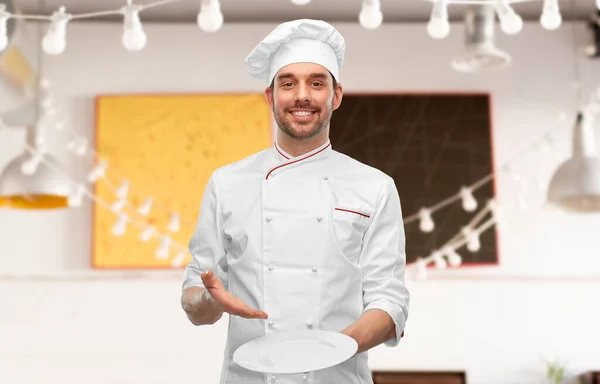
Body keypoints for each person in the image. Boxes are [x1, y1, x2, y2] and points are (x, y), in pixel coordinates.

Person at [180, 19, 410, 384]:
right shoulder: (227, 183)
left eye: (316, 83)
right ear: (271, 97)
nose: (302, 95)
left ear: (335, 96)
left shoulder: (374, 187)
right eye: (288, 83)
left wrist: (331, 349)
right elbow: (195, 301)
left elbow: (390, 302)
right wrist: (211, 302)